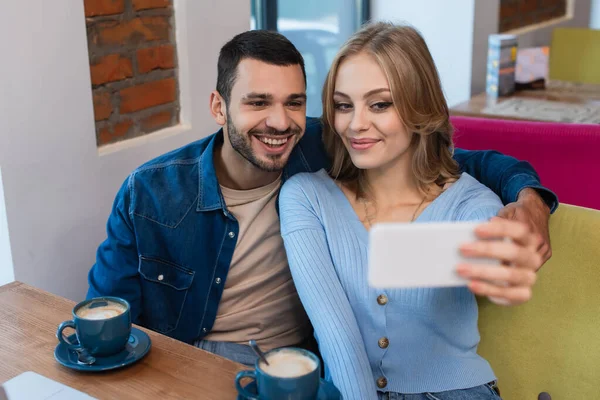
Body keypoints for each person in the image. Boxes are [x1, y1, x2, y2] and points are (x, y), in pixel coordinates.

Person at [87, 29, 557, 367]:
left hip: (299, 363)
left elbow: (450, 156)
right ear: (218, 107)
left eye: (294, 101)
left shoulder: (319, 144)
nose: (279, 121)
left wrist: (530, 197)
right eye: (257, 102)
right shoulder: (150, 192)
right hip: (193, 361)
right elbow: (108, 319)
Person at [279, 22, 543, 399]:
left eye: (380, 104)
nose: (355, 124)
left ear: (419, 105)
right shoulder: (307, 197)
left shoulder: (471, 204)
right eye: (342, 105)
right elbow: (336, 334)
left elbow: (496, 261)